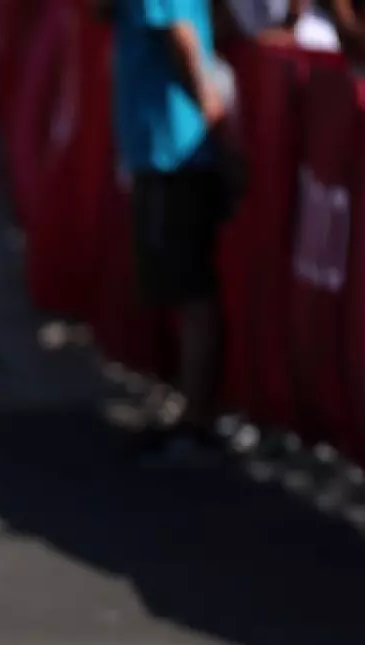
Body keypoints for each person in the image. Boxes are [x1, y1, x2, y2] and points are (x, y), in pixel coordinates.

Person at [112, 0, 245, 464]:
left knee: (190, 289)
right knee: (176, 285)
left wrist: (212, 117)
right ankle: (192, 410)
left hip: (175, 148)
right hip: (168, 146)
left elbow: (182, 38)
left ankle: (198, 418)